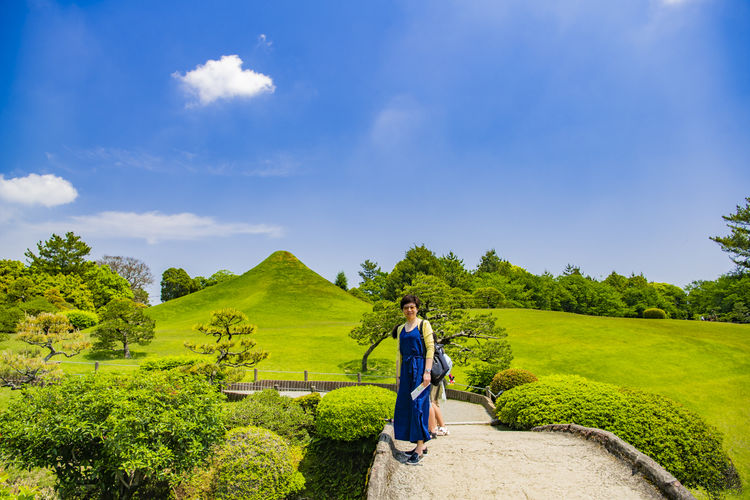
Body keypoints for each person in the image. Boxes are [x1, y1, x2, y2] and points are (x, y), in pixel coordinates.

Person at [393, 294, 434, 465]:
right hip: (406, 371)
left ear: (417, 308)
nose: (409, 310)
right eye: (406, 307)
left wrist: (427, 372)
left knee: (418, 406)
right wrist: (398, 375)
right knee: (406, 405)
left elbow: (430, 348)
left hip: (420, 371)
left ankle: (419, 447)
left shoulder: (424, 324)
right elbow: (399, 353)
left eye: (412, 307)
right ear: (402, 310)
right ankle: (419, 444)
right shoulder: (401, 328)